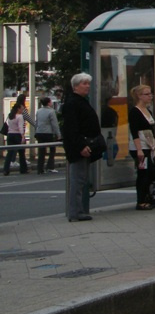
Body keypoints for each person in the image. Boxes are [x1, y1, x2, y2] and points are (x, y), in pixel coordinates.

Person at [62, 73, 101, 222]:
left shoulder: (79, 101)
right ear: (76, 86)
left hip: (82, 146)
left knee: (81, 179)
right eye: (84, 83)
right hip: (79, 148)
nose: (87, 86)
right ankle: (75, 212)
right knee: (77, 180)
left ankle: (78, 210)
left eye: (88, 83)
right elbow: (71, 129)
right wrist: (81, 146)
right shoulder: (73, 103)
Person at [128, 84, 155, 210]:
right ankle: (140, 200)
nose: (150, 96)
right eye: (147, 94)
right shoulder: (135, 112)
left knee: (150, 172)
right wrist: (139, 149)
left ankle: (148, 197)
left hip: (149, 144)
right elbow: (134, 131)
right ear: (139, 96)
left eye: (150, 93)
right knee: (143, 173)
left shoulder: (148, 111)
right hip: (140, 145)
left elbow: (151, 130)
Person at [33, 96, 60, 174]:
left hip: (39, 132)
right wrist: (58, 134)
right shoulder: (51, 111)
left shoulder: (38, 111)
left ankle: (40, 168)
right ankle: (50, 166)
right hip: (48, 133)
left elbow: (36, 122)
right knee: (52, 149)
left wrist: (36, 131)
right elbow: (54, 124)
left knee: (41, 151)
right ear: (48, 103)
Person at [3, 98, 29, 175]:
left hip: (10, 134)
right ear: (18, 109)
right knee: (21, 153)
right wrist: (23, 136)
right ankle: (23, 169)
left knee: (9, 153)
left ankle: (6, 169)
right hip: (17, 135)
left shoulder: (10, 116)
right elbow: (21, 127)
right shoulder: (20, 116)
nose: (23, 110)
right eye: (22, 109)